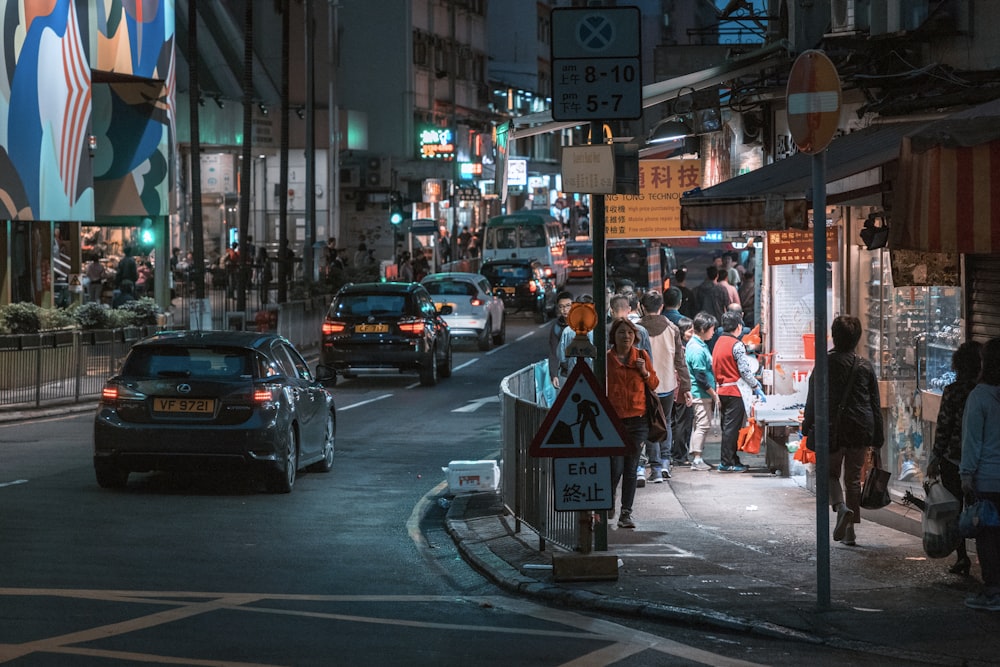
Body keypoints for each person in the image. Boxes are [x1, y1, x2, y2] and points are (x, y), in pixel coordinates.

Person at [801, 315, 883, 547]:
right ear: (857, 338)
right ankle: (850, 533)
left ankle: (840, 507)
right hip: (860, 428)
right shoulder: (865, 366)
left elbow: (813, 398)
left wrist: (807, 425)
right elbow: (874, 403)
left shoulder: (824, 364)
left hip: (832, 429)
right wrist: (878, 436)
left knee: (829, 473)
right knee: (853, 480)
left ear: (834, 336)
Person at [927, 341, 983, 576]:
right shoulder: (983, 392)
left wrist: (935, 456)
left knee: (956, 509)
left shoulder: (953, 391)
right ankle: (985, 558)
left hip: (953, 459)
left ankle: (962, 558)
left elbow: (944, 427)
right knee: (982, 511)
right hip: (981, 461)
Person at [606, 317, 659, 529]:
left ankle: (625, 513)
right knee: (615, 467)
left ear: (635, 337)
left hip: (639, 421)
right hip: (614, 422)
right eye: (621, 333)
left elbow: (654, 383)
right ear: (614, 336)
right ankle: (608, 501)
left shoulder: (641, 356)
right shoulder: (607, 359)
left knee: (631, 468)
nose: (626, 336)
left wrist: (644, 371)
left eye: (629, 333)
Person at [960, 338, 1000, 610]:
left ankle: (993, 591)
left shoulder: (980, 396)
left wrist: (966, 474)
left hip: (987, 477)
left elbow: (973, 440)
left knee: (988, 538)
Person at [639, 290, 692, 482]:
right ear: (661, 306)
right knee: (666, 422)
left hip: (645, 386)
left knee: (649, 425)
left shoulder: (636, 329)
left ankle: (654, 469)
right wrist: (686, 387)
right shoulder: (672, 328)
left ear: (643, 307)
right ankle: (665, 463)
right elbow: (680, 361)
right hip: (668, 385)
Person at [711, 310, 766, 473]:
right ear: (738, 327)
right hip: (735, 391)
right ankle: (727, 462)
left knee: (728, 428)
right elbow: (744, 370)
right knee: (731, 429)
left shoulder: (718, 342)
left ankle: (732, 459)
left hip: (722, 390)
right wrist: (756, 386)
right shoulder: (737, 345)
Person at [685, 312, 719, 471]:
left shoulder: (697, 344)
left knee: (699, 425)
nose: (713, 332)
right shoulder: (697, 349)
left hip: (700, 393)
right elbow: (700, 377)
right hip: (700, 393)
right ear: (704, 329)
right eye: (712, 329)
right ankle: (697, 458)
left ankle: (696, 456)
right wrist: (713, 393)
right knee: (703, 425)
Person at [671, 316, 696, 466]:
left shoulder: (673, 347)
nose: (692, 334)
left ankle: (673, 453)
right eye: (690, 331)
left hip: (672, 389)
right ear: (682, 332)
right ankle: (680, 455)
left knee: (673, 422)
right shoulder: (683, 349)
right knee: (682, 423)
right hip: (680, 389)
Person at [548, 291, 574, 389]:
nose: (565, 310)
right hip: (565, 374)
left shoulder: (582, 324)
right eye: (561, 306)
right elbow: (553, 352)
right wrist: (554, 375)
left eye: (568, 306)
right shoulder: (556, 327)